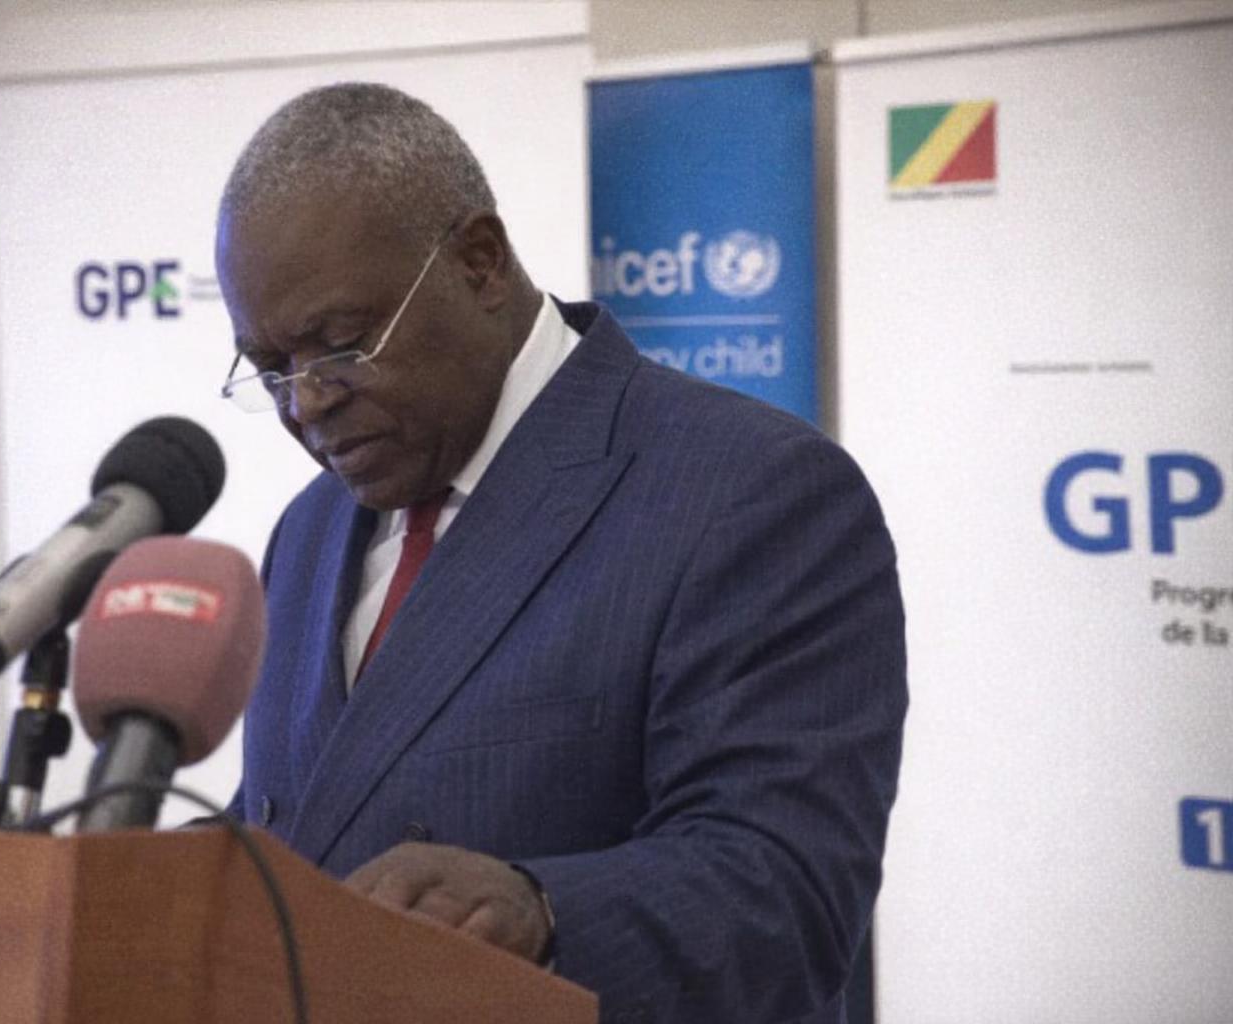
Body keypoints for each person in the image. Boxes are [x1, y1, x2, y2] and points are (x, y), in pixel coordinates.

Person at [216, 83, 906, 1024]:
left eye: (340, 344)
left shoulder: (752, 492)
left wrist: (540, 910)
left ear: (480, 262)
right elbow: (314, 820)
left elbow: (786, 894)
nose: (306, 402)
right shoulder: (309, 529)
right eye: (271, 370)